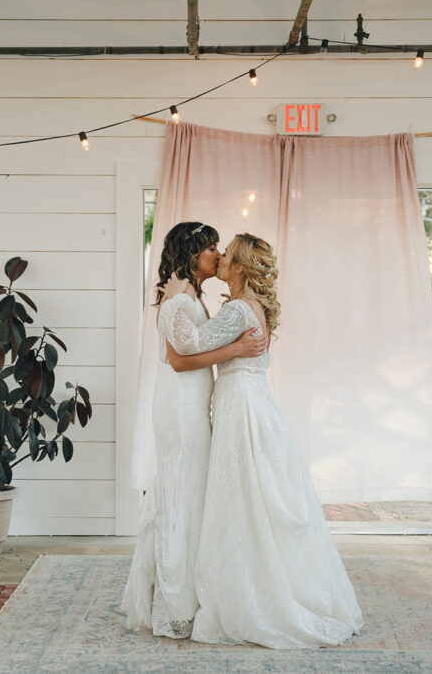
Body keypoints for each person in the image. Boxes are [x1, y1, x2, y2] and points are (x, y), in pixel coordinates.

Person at [162, 233, 364, 649]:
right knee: (251, 501)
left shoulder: (238, 310)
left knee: (242, 501)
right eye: (214, 250)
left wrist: (172, 308)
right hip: (250, 401)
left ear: (238, 268)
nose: (218, 256)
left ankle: (253, 597)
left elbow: (191, 347)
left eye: (226, 253)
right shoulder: (245, 307)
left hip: (242, 407)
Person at [122, 222, 267, 639]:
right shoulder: (176, 301)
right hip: (179, 406)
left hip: (191, 403)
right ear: (191, 254)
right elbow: (181, 359)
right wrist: (237, 349)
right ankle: (175, 604)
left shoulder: (192, 298)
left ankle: (188, 593)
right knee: (184, 490)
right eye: (211, 250)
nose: (218, 256)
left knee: (193, 490)